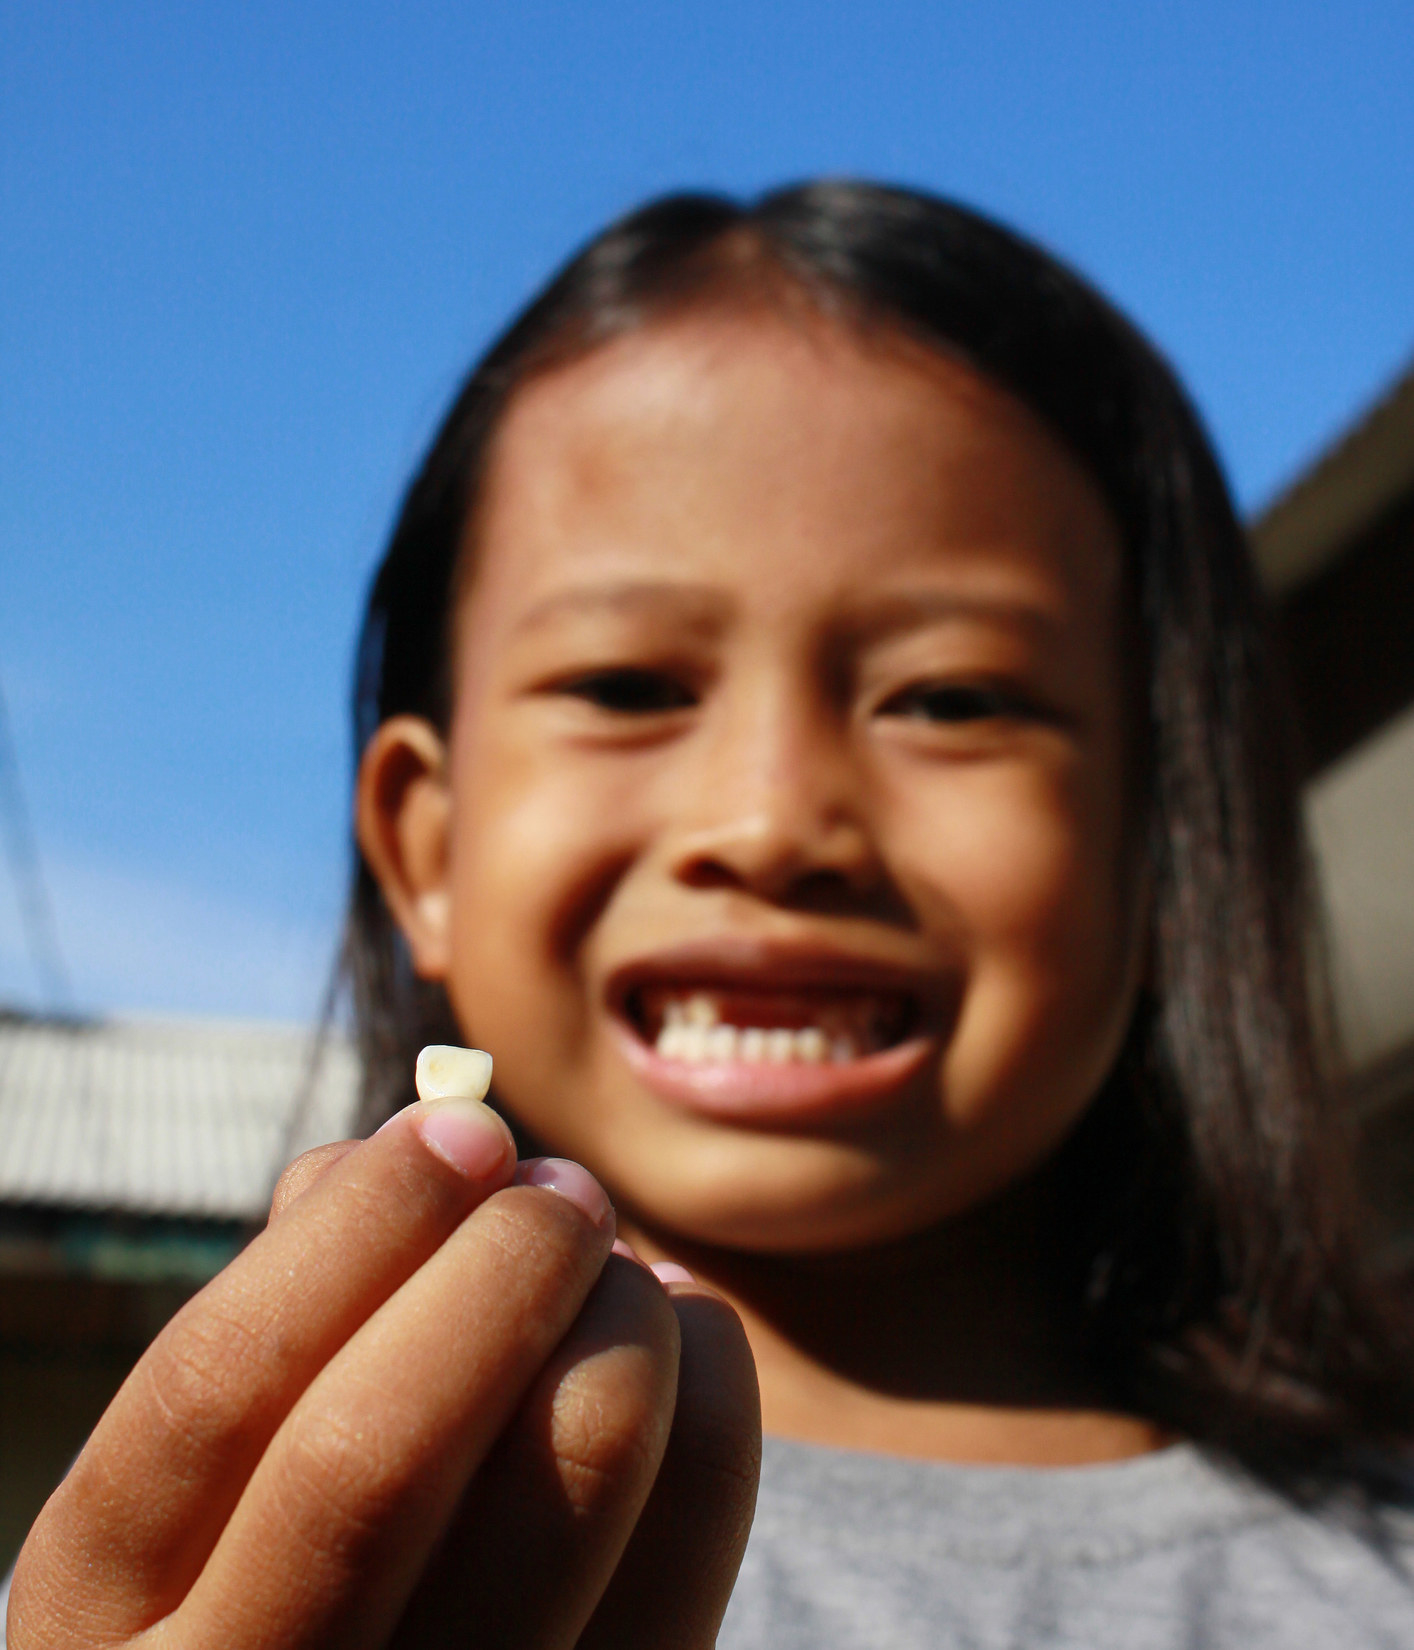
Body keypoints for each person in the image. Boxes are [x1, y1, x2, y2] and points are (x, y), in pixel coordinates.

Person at [9, 181, 1414, 1648]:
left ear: (1162, 838)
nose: (768, 824)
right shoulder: (207, 1579)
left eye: (949, 699)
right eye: (628, 687)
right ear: (422, 848)